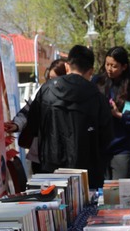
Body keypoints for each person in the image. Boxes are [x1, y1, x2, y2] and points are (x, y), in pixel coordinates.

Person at [23, 45, 112, 188]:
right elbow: (106, 137)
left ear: (66, 66)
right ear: (91, 71)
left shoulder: (46, 90)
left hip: (51, 171)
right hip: (87, 174)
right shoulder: (98, 97)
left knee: (54, 202)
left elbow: (32, 126)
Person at [93, 46, 130, 179]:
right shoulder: (97, 82)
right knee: (100, 189)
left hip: (122, 149)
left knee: (118, 189)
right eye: (107, 64)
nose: (109, 69)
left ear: (124, 67)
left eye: (114, 66)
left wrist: (119, 115)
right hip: (99, 149)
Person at [12, 57, 68, 173]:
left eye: (57, 79)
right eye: (50, 78)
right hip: (40, 155)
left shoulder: (72, 94)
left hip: (65, 156)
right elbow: (26, 112)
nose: (53, 83)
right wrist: (16, 125)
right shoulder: (41, 91)